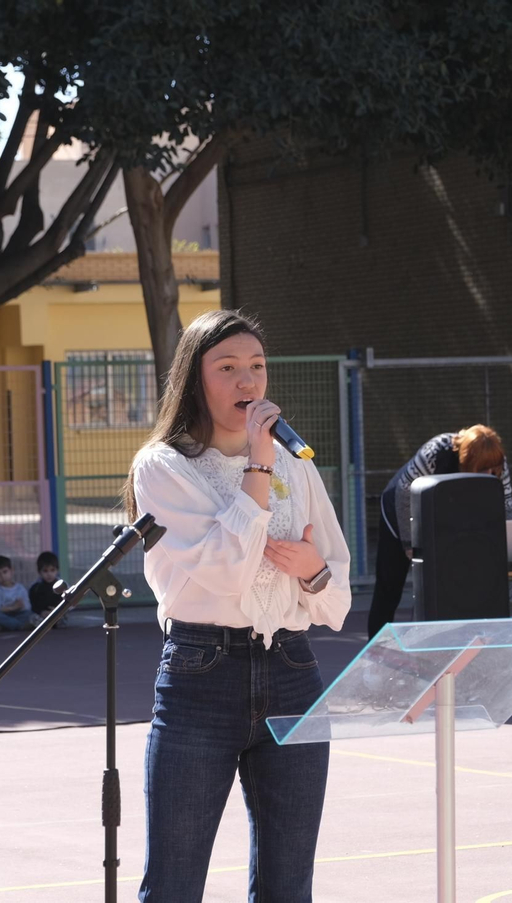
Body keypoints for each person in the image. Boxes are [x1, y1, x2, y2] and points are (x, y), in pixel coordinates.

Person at [124, 309, 352, 900]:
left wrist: (315, 573)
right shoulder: (165, 467)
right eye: (227, 368)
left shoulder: (296, 468)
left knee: (288, 884)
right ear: (193, 380)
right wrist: (257, 461)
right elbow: (225, 571)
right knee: (173, 882)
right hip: (202, 674)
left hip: (293, 669)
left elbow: (339, 596)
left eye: (256, 367)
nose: (247, 382)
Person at [366, 424, 512, 639]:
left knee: (451, 584)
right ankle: (376, 647)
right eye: (482, 468)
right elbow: (403, 491)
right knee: (390, 585)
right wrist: (409, 542)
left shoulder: (496, 463)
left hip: (442, 514)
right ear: (466, 460)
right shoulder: (435, 452)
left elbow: (507, 504)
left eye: (493, 468)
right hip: (400, 512)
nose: (490, 473)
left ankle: (447, 640)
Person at [0, 555, 33, 632]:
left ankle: (4, 626)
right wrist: (13, 607)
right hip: (3, 615)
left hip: (18, 615)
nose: (2, 576)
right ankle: (20, 626)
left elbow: (26, 607)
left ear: (12, 570)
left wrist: (14, 608)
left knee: (29, 614)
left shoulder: (20, 588)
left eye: (5, 572)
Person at [28, 551, 64, 626]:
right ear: (39, 572)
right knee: (33, 618)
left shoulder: (61, 585)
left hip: (57, 614)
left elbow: (66, 602)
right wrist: (42, 612)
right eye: (45, 571)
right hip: (42, 615)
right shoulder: (35, 587)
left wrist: (56, 610)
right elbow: (33, 604)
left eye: (52, 570)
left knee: (62, 618)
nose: (49, 574)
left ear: (57, 570)